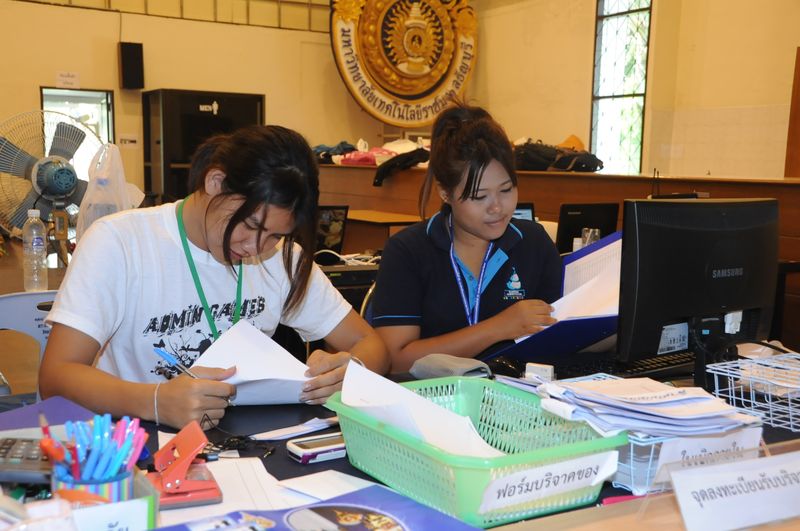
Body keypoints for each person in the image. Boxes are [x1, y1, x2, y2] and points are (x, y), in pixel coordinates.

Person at [40, 125, 390, 429]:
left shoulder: (282, 258)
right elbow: (56, 375)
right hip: (138, 441)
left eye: (275, 235)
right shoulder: (119, 242)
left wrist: (350, 370)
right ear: (215, 182)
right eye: (250, 225)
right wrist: (156, 401)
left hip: (246, 445)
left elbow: (372, 345)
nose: (255, 247)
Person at [370, 103, 562, 373]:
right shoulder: (408, 251)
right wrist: (499, 327)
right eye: (479, 196)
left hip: (517, 392)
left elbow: (565, 327)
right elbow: (395, 360)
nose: (497, 207)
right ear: (445, 193)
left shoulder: (532, 241)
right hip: (431, 395)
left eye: (506, 190)